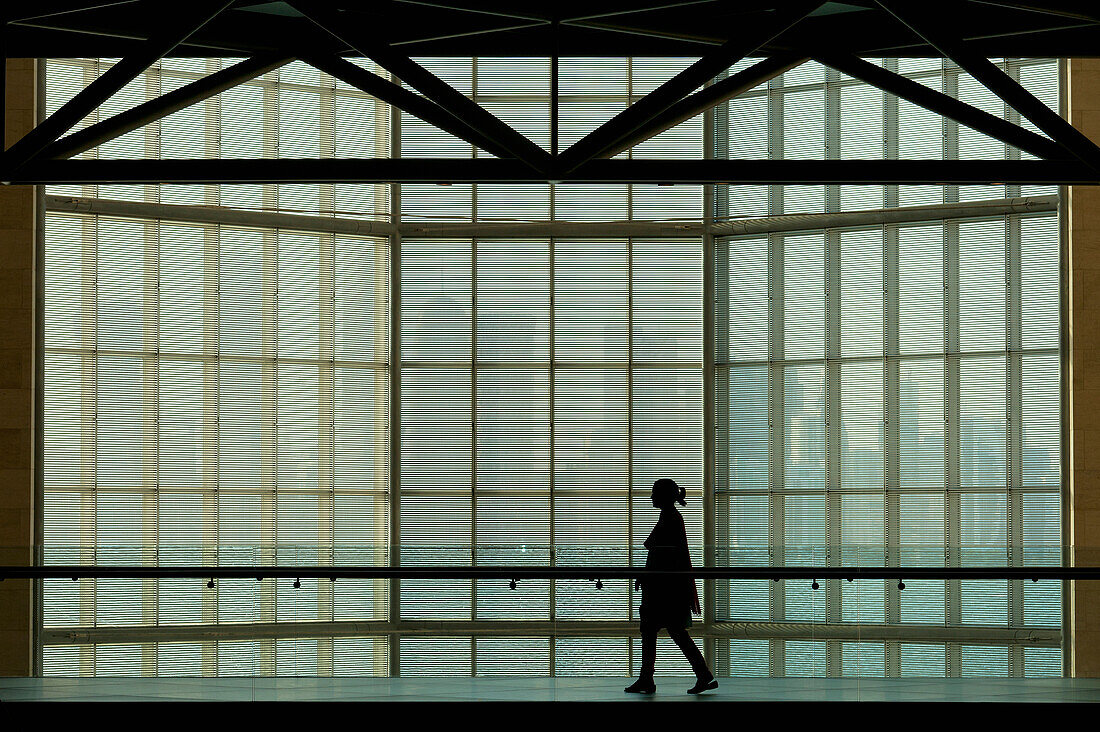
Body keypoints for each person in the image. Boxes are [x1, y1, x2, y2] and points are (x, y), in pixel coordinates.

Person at [624, 478, 717, 695]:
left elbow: (661, 555)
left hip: (661, 590)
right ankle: (702, 675)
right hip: (667, 588)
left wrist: (647, 576)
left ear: (663, 496)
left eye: (655, 493)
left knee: (653, 632)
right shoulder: (672, 517)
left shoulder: (670, 519)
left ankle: (648, 678)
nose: (651, 497)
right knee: (674, 633)